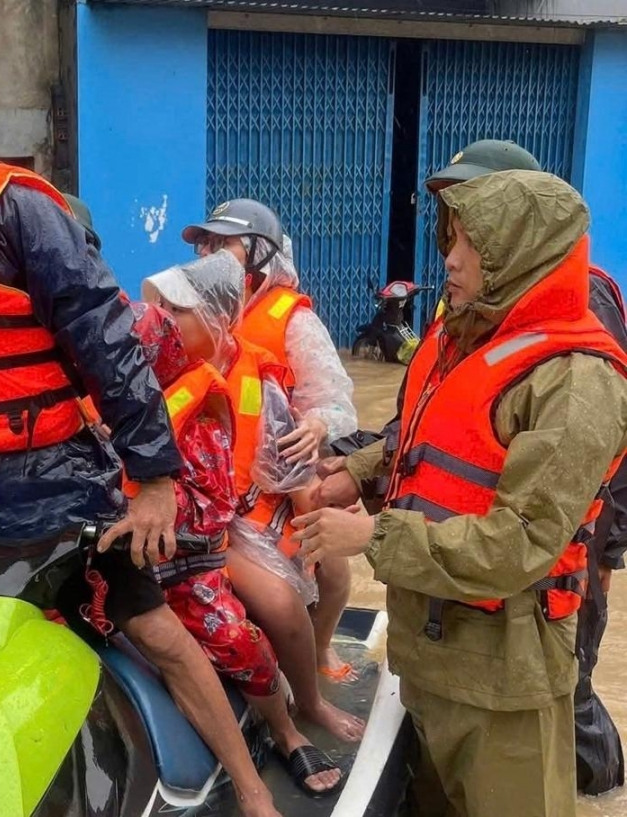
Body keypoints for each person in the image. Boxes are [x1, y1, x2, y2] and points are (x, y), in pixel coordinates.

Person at [0, 33, 278, 816]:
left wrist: (154, 479)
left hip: (55, 479)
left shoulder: (18, 209)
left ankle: (248, 787)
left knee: (153, 629)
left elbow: (108, 342)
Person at [298, 170, 627, 817]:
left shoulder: (574, 381)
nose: (451, 258)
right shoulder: (463, 342)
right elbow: (424, 444)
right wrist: (356, 473)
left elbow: (521, 542)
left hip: (504, 678)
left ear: (521, 254)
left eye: (474, 243)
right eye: (452, 238)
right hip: (429, 657)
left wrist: (371, 535)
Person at [130, 285, 344, 797]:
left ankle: (287, 729)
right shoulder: (111, 406)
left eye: (177, 310)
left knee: (240, 636)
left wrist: (152, 513)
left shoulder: (206, 410)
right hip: (120, 559)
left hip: (192, 555)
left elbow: (218, 501)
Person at [183, 205, 358, 680]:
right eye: (205, 244)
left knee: (331, 563)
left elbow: (337, 404)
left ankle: (319, 648)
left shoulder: (293, 321)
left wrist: (317, 426)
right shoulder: (193, 306)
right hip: (215, 476)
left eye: (223, 244)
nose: (209, 253)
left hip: (286, 465)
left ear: (259, 253)